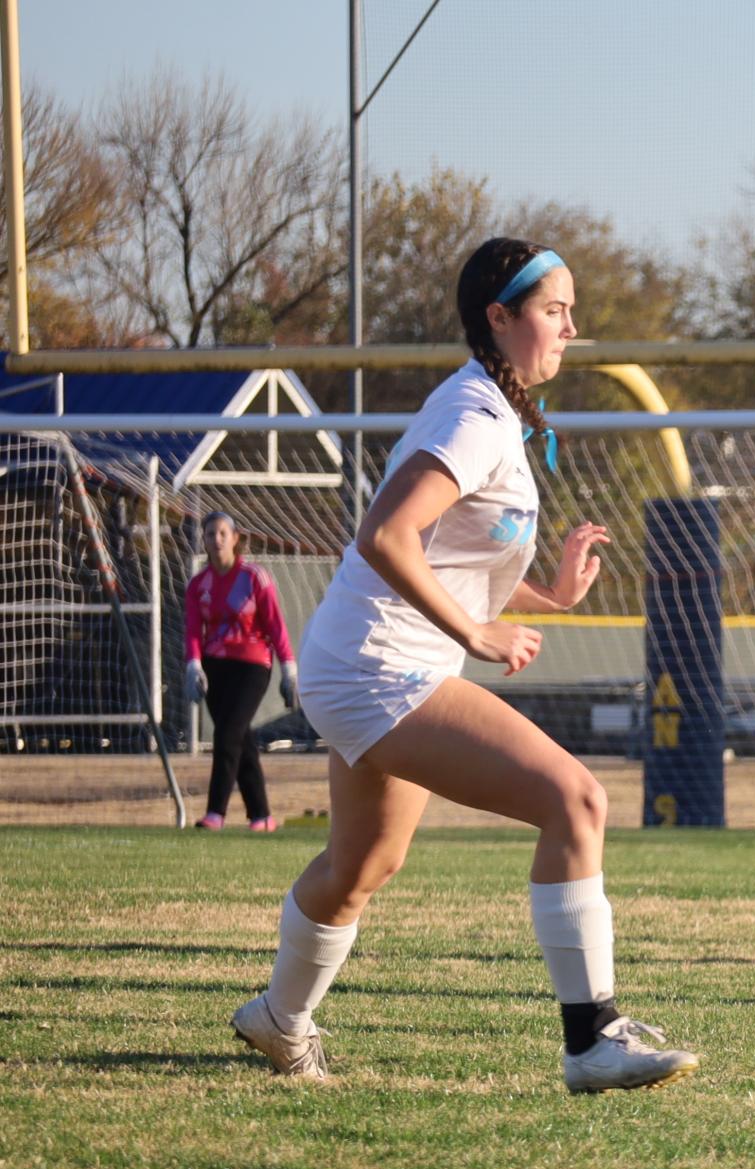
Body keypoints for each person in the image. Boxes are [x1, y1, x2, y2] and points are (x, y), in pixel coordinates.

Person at [230, 238, 698, 1093]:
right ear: (500, 317)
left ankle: (277, 1018)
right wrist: (478, 637)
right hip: (380, 666)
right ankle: (593, 1038)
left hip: (362, 662)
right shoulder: (476, 416)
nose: (570, 326)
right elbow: (386, 536)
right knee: (575, 798)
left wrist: (550, 594)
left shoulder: (493, 412)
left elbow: (449, 557)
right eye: (554, 310)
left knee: (362, 861)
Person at [183, 510, 296, 831]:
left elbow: (274, 624)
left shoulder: (253, 577)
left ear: (235, 538)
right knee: (240, 738)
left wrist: (289, 667)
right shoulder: (198, 585)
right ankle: (261, 816)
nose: (216, 539)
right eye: (209, 534)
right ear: (203, 541)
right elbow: (193, 630)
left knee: (227, 733)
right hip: (215, 666)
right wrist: (193, 664)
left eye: (222, 533)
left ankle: (215, 813)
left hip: (253, 665)